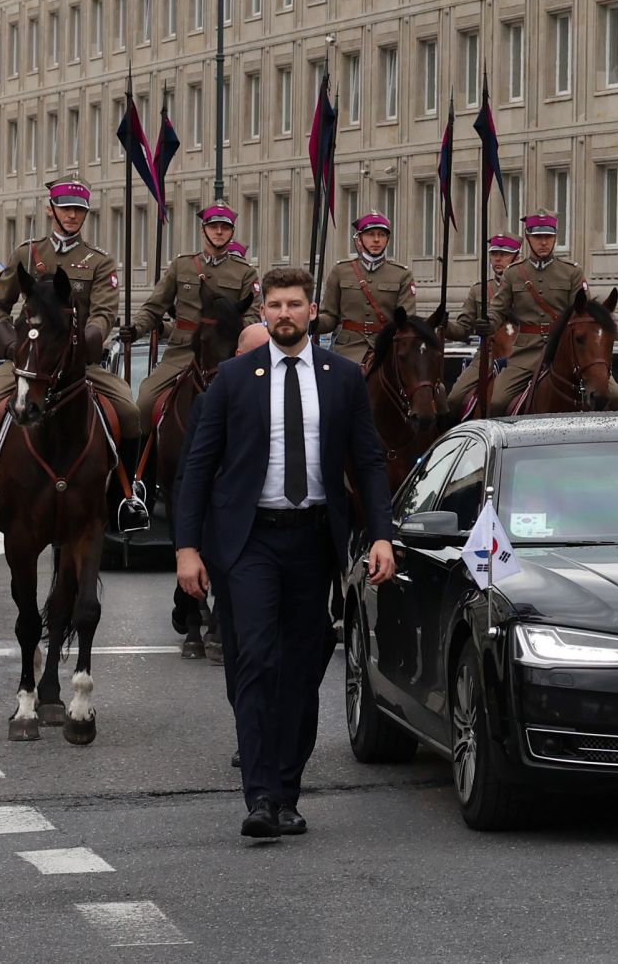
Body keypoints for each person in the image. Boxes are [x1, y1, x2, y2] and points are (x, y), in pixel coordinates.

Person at [174, 266, 395, 841]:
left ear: (312, 312)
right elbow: (198, 466)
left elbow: (369, 461)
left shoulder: (343, 377)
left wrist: (380, 534)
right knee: (257, 661)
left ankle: (288, 794)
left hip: (314, 539)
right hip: (248, 541)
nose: (284, 315)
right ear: (262, 313)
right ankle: (261, 796)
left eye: (294, 304)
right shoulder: (233, 377)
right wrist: (187, 549)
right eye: (274, 305)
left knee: (301, 669)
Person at [0, 178, 143, 533]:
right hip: (30, 360)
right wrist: (10, 344)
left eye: (79, 210)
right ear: (51, 210)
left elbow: (104, 312)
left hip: (78, 362)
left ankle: (128, 498)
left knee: (129, 412)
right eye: (66, 208)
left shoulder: (98, 261)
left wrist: (86, 343)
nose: (72, 215)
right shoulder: (27, 254)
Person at [126, 201, 262, 431]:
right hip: (181, 352)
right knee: (145, 404)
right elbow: (154, 307)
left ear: (232, 232)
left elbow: (253, 317)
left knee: (257, 407)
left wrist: (230, 336)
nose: (219, 232)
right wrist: (135, 329)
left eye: (225, 227)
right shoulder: (181, 266)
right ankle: (141, 466)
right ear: (203, 230)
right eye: (213, 226)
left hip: (223, 356)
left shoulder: (245, 272)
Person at [486, 214, 617, 413]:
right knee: (497, 402)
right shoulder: (513, 273)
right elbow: (498, 309)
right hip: (526, 352)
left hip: (565, 350)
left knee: (617, 397)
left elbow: (585, 314)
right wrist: (488, 324)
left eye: (548, 237)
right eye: (538, 237)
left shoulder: (571, 272)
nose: (544, 242)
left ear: (555, 238)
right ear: (528, 238)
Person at [317, 213, 416, 368]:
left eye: (381, 235)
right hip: (347, 349)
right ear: (359, 239)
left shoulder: (402, 275)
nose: (376, 240)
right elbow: (330, 316)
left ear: (387, 240)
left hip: (386, 349)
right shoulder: (340, 271)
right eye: (370, 234)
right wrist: (312, 321)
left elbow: (406, 322)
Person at [443, 234, 521, 417]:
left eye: (504, 254)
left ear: (518, 256)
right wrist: (444, 325)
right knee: (453, 398)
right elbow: (463, 329)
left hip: (523, 352)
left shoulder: (527, 286)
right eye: (494, 254)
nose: (498, 259)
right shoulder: (479, 290)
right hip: (488, 354)